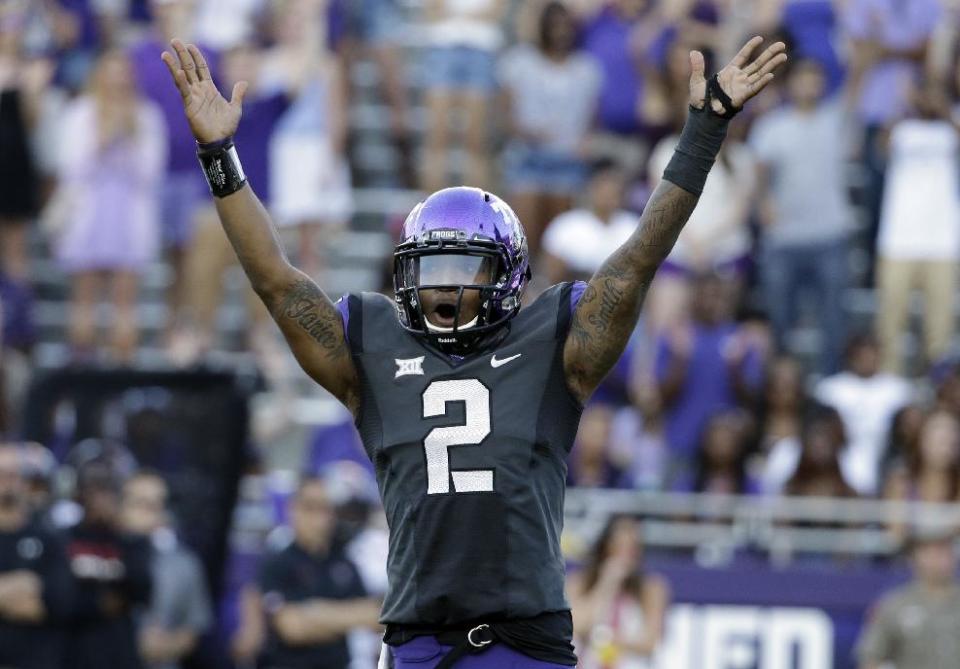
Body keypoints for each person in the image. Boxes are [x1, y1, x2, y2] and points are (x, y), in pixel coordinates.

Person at [161, 33, 786, 668]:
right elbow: (276, 280)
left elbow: (635, 264)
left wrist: (703, 133)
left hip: (520, 642)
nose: (444, 285)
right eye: (429, 267)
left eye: (464, 265)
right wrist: (219, 153)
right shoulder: (372, 345)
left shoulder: (551, 344)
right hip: (416, 643)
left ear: (507, 275)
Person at [54, 49, 167, 362]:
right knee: (84, 299)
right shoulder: (80, 113)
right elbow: (70, 167)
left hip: (128, 214)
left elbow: (152, 170)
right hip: (88, 213)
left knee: (124, 301)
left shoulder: (146, 115)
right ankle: (82, 375)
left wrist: (128, 136)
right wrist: (101, 139)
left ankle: (120, 377)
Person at [749, 57, 852, 374]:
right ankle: (782, 383)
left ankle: (829, 384)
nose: (809, 84)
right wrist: (764, 204)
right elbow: (759, 175)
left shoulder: (836, 120)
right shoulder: (772, 126)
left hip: (830, 234)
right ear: (790, 84)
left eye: (815, 77)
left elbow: (858, 81)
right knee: (779, 317)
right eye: (803, 77)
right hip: (785, 237)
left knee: (834, 320)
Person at [498, 1, 601, 256]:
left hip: (567, 158)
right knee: (524, 227)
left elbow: (592, 118)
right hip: (529, 156)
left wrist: (585, 143)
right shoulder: (519, 62)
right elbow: (505, 113)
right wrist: (526, 131)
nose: (560, 31)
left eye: (565, 25)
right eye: (554, 25)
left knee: (560, 234)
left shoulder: (587, 69)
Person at [875, 79, 960, 374]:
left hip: (943, 242)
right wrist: (901, 106)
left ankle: (938, 388)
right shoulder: (901, 128)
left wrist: (946, 111)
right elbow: (879, 148)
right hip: (897, 240)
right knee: (890, 323)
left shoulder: (953, 125)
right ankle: (890, 381)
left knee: (940, 328)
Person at [256, 475, 380, 669]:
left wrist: (315, 612)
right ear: (293, 509)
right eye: (310, 507)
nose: (320, 518)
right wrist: (346, 618)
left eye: (326, 509)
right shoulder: (278, 562)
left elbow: (374, 616)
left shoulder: (343, 561)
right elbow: (293, 629)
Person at [655, 272, 766, 465]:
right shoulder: (676, 336)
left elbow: (752, 398)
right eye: (704, 294)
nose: (710, 301)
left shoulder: (740, 338)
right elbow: (661, 399)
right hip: (682, 443)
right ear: (693, 297)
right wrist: (679, 361)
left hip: (727, 450)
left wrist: (736, 369)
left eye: (715, 295)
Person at [62, 455, 153, 669]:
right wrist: (100, 602)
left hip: (118, 655)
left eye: (108, 489)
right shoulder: (62, 538)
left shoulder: (132, 542)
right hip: (69, 654)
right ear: (79, 494)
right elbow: (59, 601)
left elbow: (143, 591)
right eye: (95, 488)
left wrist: (120, 526)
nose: (102, 497)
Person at [121, 470, 213, 669]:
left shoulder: (184, 563)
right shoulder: (103, 554)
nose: (149, 513)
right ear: (121, 505)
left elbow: (192, 631)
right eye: (140, 503)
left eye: (156, 505)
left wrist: (166, 645)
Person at [419, 0, 507, 191]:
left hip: (481, 48)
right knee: (437, 138)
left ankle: (476, 217)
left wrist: (456, 16)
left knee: (477, 142)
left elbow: (497, 9)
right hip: (443, 46)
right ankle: (430, 216)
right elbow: (432, 8)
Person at [0, 445, 74, 669]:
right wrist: (20, 584)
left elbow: (60, 603)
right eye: (0, 475)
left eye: (12, 475)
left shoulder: (50, 537)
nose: (6, 483)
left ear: (26, 481)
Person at [814, 333, 914, 496]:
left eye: (871, 353)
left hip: (887, 454)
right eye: (862, 354)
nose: (867, 359)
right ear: (851, 355)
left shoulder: (898, 389)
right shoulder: (830, 389)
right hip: (842, 454)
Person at [567, 515, 670, 669]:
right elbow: (575, 625)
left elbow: (650, 642)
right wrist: (607, 582)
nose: (626, 556)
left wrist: (610, 640)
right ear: (605, 547)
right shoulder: (580, 582)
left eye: (631, 548)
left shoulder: (651, 588)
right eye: (619, 546)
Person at [857, 524, 960, 669]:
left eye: (944, 549)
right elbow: (871, 656)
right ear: (914, 557)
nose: (938, 558)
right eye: (929, 551)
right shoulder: (895, 604)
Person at [541, 159, 637, 286]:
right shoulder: (566, 224)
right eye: (603, 189)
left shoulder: (633, 226)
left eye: (613, 192)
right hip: (571, 293)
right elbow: (552, 272)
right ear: (592, 190)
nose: (607, 196)